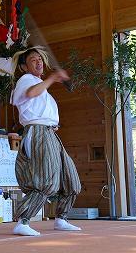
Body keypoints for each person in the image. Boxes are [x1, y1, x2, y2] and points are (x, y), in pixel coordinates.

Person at [10, 46, 81, 236]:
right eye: (33, 60)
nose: (39, 61)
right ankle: (23, 221)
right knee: (45, 179)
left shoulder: (43, 88)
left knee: (70, 179)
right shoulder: (26, 80)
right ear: (24, 67)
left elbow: (39, 105)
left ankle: (61, 219)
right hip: (38, 133)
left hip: (50, 134)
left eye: (40, 59)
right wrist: (52, 78)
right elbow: (31, 94)